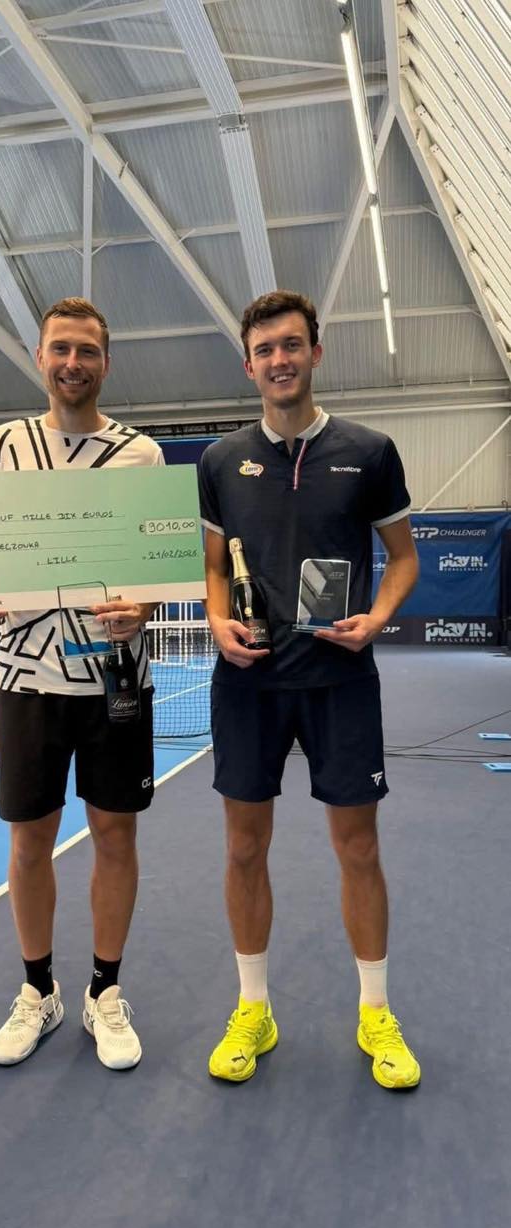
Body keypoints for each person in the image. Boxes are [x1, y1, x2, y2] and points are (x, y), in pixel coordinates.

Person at [198, 290, 421, 1089]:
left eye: (292, 344)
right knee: (242, 847)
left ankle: (374, 1012)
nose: (280, 359)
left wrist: (379, 618)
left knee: (357, 847)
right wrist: (218, 620)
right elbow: (215, 569)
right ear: (249, 362)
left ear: (315, 353)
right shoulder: (221, 462)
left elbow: (402, 558)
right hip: (248, 684)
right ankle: (254, 1006)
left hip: (341, 680)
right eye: (265, 349)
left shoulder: (371, 449)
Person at [0, 297, 164, 1070]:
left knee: (116, 835)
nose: (72, 362)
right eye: (60, 349)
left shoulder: (140, 455)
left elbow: (158, 568)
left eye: (86, 350)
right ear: (39, 358)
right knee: (29, 840)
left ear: (105, 363)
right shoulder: (3, 445)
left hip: (115, 682)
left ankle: (103, 992)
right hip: (25, 679)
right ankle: (39, 990)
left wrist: (141, 605)